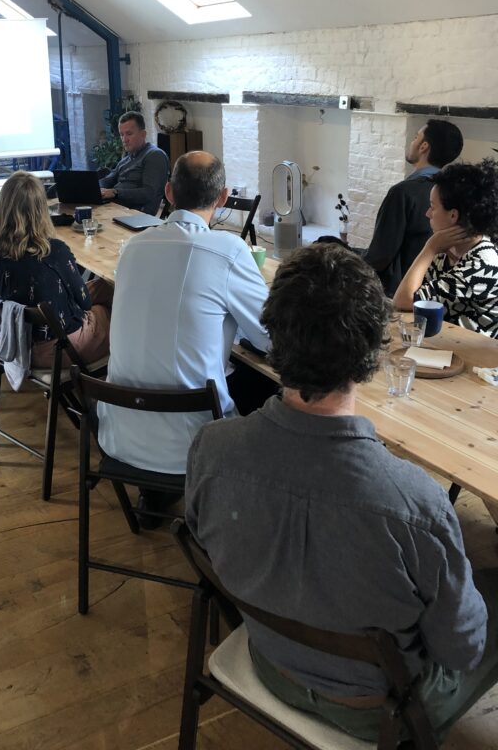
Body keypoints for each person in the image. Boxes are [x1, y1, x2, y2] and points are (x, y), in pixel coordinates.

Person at [186, 243, 498, 744]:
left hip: (268, 659)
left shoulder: (210, 449)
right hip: (379, 708)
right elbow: (462, 651)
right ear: (372, 355)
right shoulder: (415, 505)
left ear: (273, 338)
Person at [96, 151, 271, 524]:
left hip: (118, 434)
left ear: (169, 192)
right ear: (222, 198)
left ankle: (155, 494)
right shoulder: (228, 250)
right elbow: (273, 336)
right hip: (194, 444)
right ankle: (240, 520)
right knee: (266, 384)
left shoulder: (132, 249)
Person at [0, 171, 112, 366]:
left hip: (13, 340)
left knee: (103, 287)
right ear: (41, 210)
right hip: (60, 349)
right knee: (110, 304)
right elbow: (85, 303)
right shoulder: (54, 252)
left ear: (2, 207)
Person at [394, 158, 498, 337]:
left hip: (482, 360)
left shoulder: (484, 264)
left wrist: (429, 248)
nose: (427, 214)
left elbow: (405, 300)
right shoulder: (448, 251)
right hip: (448, 347)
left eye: (432, 207)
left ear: (453, 215)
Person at [364, 119, 463, 295]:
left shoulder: (403, 192)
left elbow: (381, 256)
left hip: (399, 290)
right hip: (435, 288)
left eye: (416, 137)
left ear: (424, 146)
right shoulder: (456, 192)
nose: (412, 142)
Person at [99, 111, 169, 215]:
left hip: (136, 215)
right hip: (116, 209)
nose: (124, 139)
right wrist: (95, 188)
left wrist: (115, 193)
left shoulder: (155, 155)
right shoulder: (127, 159)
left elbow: (149, 193)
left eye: (129, 134)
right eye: (121, 135)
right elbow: (108, 180)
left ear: (143, 134)